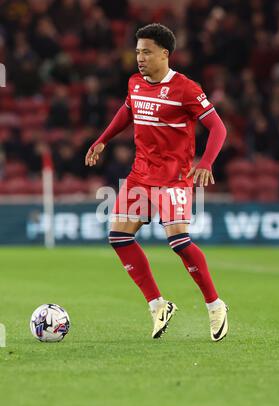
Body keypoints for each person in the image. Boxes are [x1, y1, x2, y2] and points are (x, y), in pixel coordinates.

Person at [85, 23, 228, 341]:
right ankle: (157, 305)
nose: (140, 58)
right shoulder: (135, 83)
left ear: (165, 54)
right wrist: (102, 140)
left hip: (174, 178)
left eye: (146, 52)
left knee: (179, 242)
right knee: (119, 237)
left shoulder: (186, 89)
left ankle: (215, 304)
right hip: (140, 175)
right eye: (137, 51)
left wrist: (205, 163)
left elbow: (218, 128)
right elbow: (127, 112)